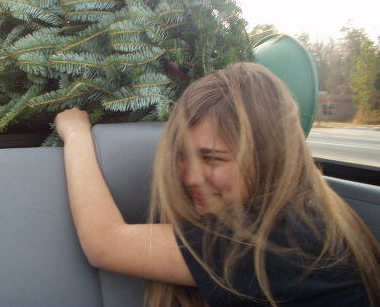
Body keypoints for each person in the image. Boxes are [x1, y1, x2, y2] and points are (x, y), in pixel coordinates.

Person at [54, 62, 379, 307]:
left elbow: (105, 243)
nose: (190, 178)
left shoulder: (268, 242)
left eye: (213, 158)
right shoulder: (308, 215)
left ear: (267, 156)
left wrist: (77, 134)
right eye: (182, 155)